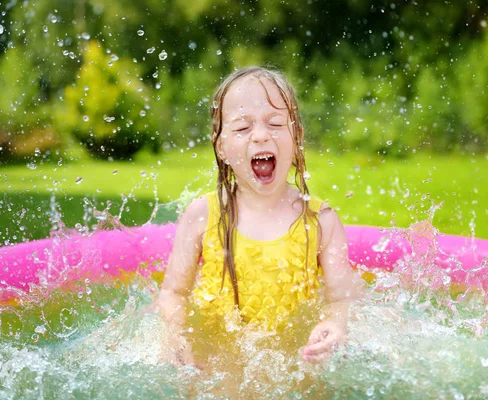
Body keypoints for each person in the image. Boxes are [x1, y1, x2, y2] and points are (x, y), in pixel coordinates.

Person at [155, 66, 363, 367]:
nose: (261, 136)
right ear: (222, 147)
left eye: (276, 123)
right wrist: (175, 335)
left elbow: (342, 298)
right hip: (217, 368)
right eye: (242, 128)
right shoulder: (203, 214)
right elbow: (173, 293)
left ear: (297, 137)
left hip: (295, 366)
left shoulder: (321, 221)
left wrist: (336, 324)